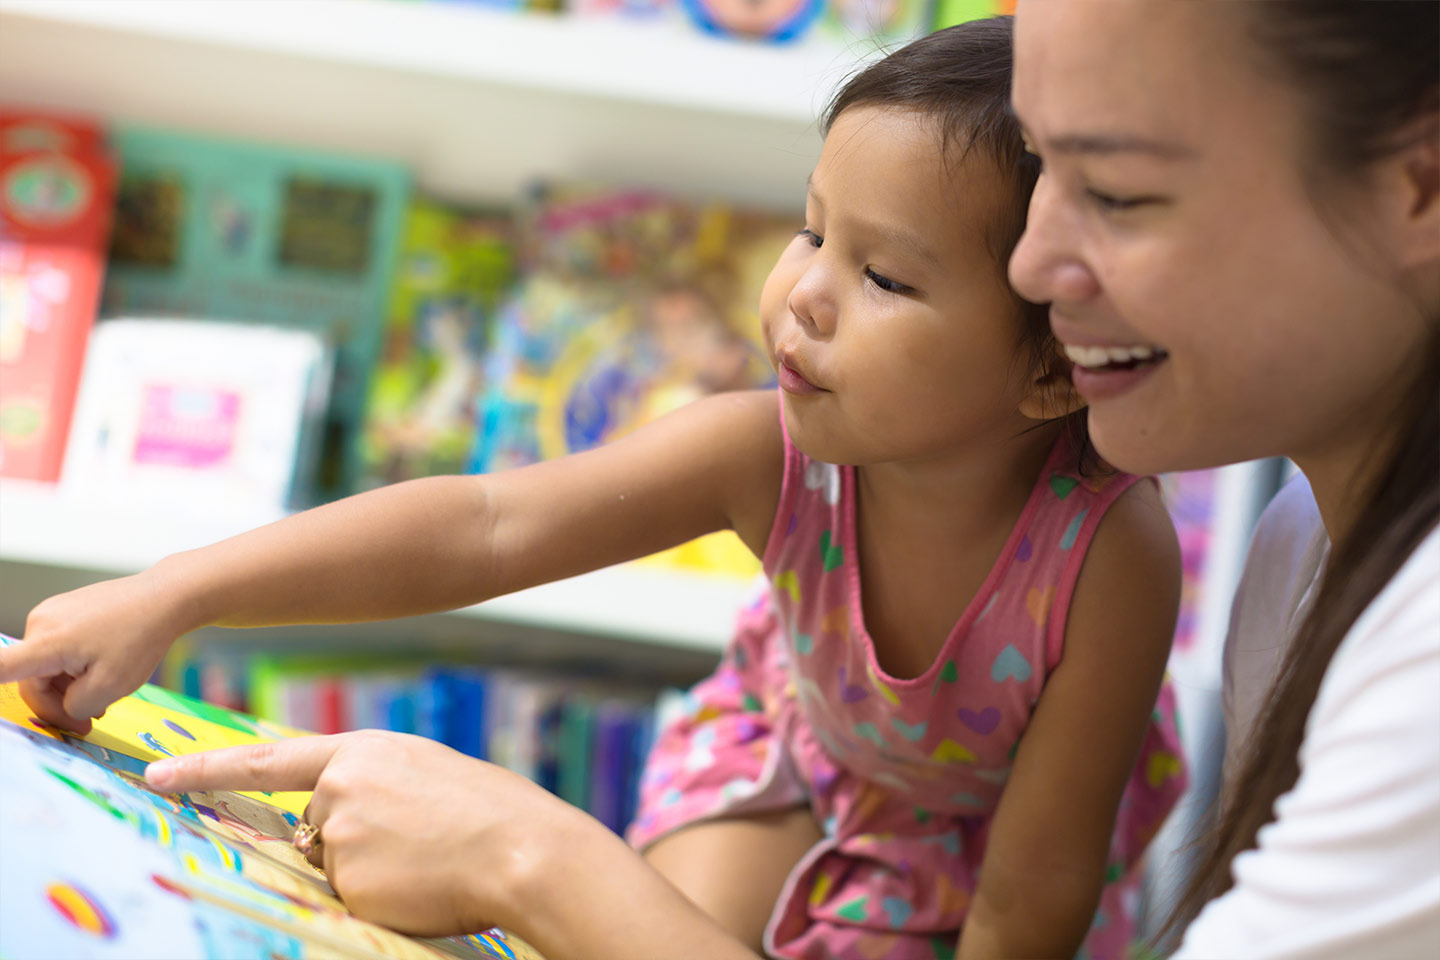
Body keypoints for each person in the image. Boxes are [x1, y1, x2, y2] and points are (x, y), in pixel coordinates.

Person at [0, 20, 1186, 960]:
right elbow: (485, 522)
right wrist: (175, 592)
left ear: (1053, 367)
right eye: (813, 231)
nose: (806, 294)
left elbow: (1035, 888)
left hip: (987, 850)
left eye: (881, 273)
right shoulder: (763, 447)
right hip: (790, 756)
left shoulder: (1110, 556)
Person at [1005, 1, 1440, 957]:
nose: (1029, 264)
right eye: (1039, 165)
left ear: (1420, 184)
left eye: (1116, 193)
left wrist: (588, 877)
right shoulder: (1300, 543)